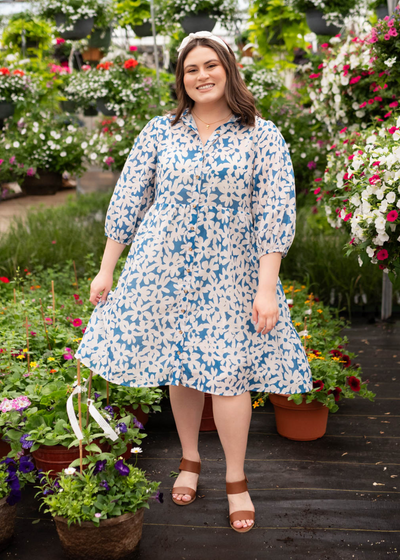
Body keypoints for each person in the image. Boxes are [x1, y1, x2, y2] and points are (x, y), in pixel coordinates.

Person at [75, 30, 313, 533]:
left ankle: (236, 478)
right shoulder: (161, 131)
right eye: (191, 69)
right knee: (181, 366)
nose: (201, 75)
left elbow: (275, 213)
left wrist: (266, 287)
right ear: (181, 79)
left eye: (210, 65)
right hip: (162, 271)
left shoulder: (261, 135)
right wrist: (106, 267)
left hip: (232, 275)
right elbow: (128, 201)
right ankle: (189, 458)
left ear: (228, 68)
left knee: (227, 375)